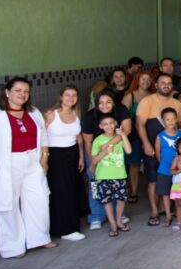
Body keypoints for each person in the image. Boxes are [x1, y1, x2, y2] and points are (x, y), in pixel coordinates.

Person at [0, 77, 57, 258]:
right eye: (18, 90)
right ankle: (13, 247)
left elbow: (43, 135)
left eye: (25, 91)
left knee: (38, 199)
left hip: (32, 161)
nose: (22, 94)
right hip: (6, 165)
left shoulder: (33, 112)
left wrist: (44, 159)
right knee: (8, 204)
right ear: (7, 92)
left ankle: (39, 238)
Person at [135, 73, 181, 227]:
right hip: (153, 149)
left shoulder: (176, 103)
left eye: (169, 82)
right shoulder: (147, 101)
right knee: (154, 180)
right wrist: (146, 144)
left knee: (172, 178)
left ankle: (168, 209)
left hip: (173, 152)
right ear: (155, 85)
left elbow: (180, 125)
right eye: (162, 82)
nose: (166, 85)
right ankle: (155, 211)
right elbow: (139, 125)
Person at [81, 90, 132, 230]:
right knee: (95, 184)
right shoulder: (90, 116)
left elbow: (126, 130)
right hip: (94, 152)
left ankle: (117, 216)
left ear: (114, 102)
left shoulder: (121, 110)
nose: (104, 106)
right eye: (101, 103)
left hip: (114, 152)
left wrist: (109, 145)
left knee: (116, 183)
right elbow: (87, 142)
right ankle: (97, 216)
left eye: (108, 102)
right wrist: (92, 163)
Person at [45, 85, 88, 241]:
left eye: (74, 95)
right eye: (67, 95)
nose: (71, 98)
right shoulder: (51, 114)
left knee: (72, 191)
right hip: (55, 156)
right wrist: (44, 159)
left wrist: (81, 156)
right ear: (61, 97)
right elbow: (41, 137)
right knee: (60, 192)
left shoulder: (76, 114)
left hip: (73, 154)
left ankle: (71, 225)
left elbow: (79, 138)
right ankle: (64, 229)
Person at [90, 114, 131, 237]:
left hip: (120, 175)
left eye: (111, 123)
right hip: (103, 176)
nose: (109, 126)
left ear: (116, 123)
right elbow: (94, 161)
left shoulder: (119, 138)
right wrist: (104, 152)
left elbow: (129, 151)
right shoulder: (98, 140)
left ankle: (118, 221)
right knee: (107, 201)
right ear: (100, 126)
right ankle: (112, 223)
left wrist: (123, 134)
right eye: (105, 124)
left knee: (121, 200)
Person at [122, 70, 152, 203]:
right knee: (134, 164)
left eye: (148, 79)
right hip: (133, 134)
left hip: (149, 133)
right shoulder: (130, 96)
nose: (145, 82)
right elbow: (122, 114)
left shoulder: (153, 96)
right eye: (143, 79)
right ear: (137, 80)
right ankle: (133, 191)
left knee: (151, 163)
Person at [154, 107, 181, 227]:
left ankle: (178, 215)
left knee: (179, 193)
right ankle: (168, 215)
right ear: (163, 121)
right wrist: (166, 165)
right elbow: (158, 153)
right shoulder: (159, 136)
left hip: (180, 170)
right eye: (167, 119)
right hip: (165, 170)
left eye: (173, 119)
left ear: (176, 119)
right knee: (166, 194)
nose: (171, 122)